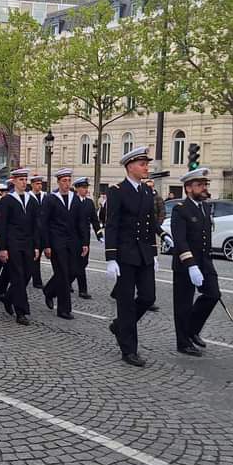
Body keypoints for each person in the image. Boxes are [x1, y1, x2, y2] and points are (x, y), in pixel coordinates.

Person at [103, 147, 163, 367]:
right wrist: (111, 257)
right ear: (130, 167)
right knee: (126, 303)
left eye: (146, 164)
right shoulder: (117, 191)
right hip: (125, 254)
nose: (146, 167)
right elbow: (112, 225)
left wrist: (155, 249)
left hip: (144, 252)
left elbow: (149, 223)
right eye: (142, 164)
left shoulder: (148, 192)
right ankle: (129, 349)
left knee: (148, 297)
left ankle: (120, 325)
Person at [170, 167, 220, 357]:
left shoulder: (206, 207)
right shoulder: (180, 210)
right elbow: (180, 240)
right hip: (186, 264)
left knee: (213, 294)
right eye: (199, 185)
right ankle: (183, 342)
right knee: (183, 304)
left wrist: (204, 262)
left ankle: (192, 329)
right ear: (188, 188)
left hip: (205, 262)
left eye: (205, 184)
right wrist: (191, 265)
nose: (204, 188)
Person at [39, 168, 88, 321]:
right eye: (64, 181)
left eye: (68, 180)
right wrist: (46, 245)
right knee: (63, 275)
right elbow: (43, 223)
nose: (67, 184)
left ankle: (49, 290)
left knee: (74, 271)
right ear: (58, 182)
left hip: (73, 242)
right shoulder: (50, 199)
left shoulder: (75, 199)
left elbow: (82, 222)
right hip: (56, 242)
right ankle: (64, 309)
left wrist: (85, 242)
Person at [0, 168, 39, 325]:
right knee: (18, 276)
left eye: (25, 180)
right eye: (21, 180)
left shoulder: (31, 200)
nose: (24, 182)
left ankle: (9, 297)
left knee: (27, 274)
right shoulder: (7, 201)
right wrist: (3, 248)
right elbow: (2, 226)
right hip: (13, 243)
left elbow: (36, 225)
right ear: (13, 182)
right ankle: (21, 312)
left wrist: (37, 246)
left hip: (28, 243)